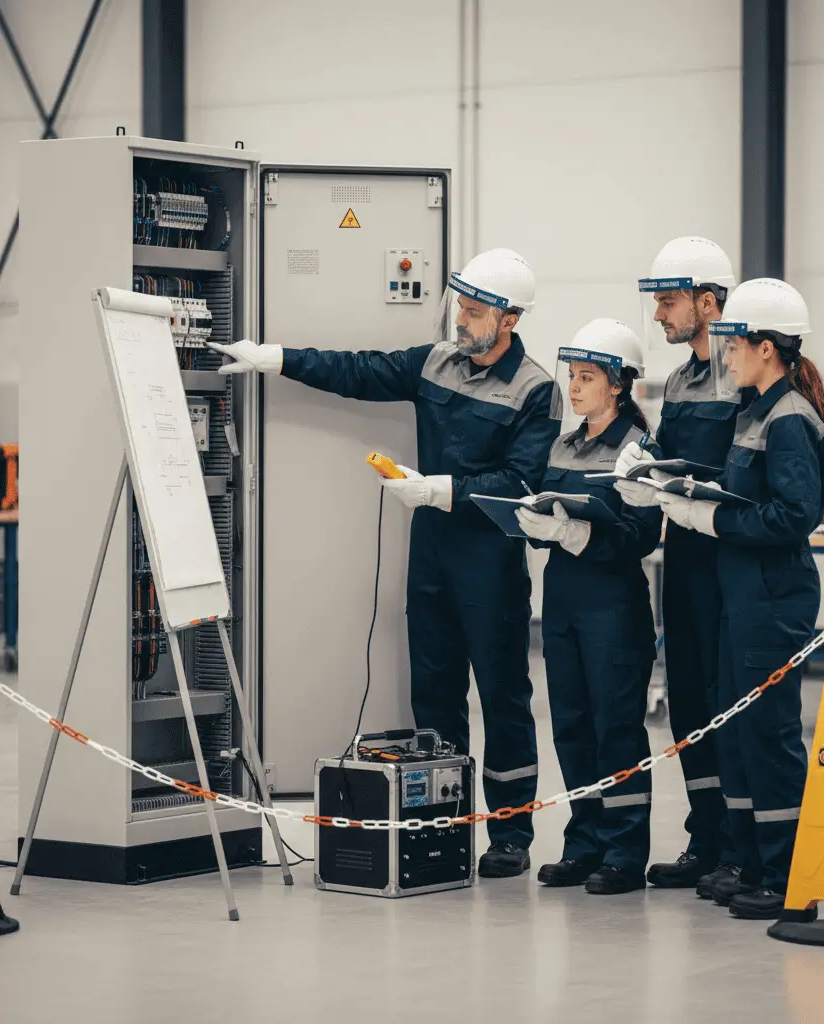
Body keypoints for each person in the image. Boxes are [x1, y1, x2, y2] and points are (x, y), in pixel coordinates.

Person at [208, 249, 558, 879]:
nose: (461, 317)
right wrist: (276, 358)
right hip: (431, 554)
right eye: (460, 304)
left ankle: (511, 833)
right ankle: (444, 821)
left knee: (503, 695)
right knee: (435, 694)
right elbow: (358, 370)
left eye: (475, 310)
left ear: (508, 320)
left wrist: (440, 490)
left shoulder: (536, 389)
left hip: (489, 560)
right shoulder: (435, 362)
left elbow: (522, 481)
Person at [654, 278, 824, 920]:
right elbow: (741, 483)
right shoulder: (755, 409)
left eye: (734, 345)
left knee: (768, 736)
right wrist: (680, 483)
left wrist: (714, 522)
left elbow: (793, 514)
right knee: (736, 734)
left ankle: (789, 876)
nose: (725, 356)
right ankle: (754, 861)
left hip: (771, 598)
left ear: (765, 348)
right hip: (743, 597)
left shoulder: (790, 418)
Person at [515, 319, 663, 894]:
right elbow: (548, 511)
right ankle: (584, 843)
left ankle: (625, 851)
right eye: (571, 376)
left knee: (616, 729)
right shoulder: (563, 442)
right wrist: (535, 524)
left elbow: (643, 535)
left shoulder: (639, 452)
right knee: (572, 726)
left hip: (613, 607)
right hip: (564, 604)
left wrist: (581, 537)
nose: (573, 388)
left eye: (586, 378)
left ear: (618, 386)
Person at [613, 237, 739, 893]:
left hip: (731, 560)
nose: (659, 316)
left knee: (730, 701)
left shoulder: (743, 376)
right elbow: (674, 450)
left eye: (668, 302)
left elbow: (745, 470)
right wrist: (643, 467)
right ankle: (706, 837)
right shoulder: (685, 379)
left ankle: (742, 848)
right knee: (689, 698)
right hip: (684, 557)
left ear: (708, 301)